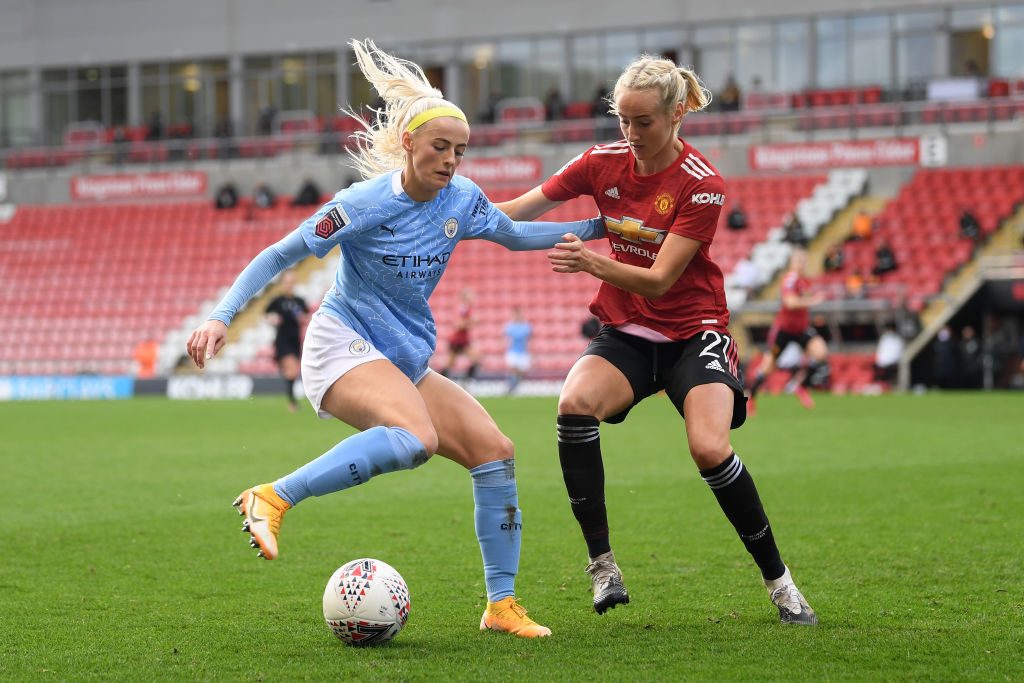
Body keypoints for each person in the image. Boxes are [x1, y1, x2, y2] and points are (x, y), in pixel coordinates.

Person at [185, 38, 607, 639]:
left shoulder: (463, 199)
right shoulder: (361, 204)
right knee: (415, 439)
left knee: (495, 451)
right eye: (440, 147)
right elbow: (279, 253)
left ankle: (501, 606)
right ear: (407, 143)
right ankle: (273, 496)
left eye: (460, 150)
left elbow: (516, 235)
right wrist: (221, 316)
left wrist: (601, 225)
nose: (451, 160)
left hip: (402, 355)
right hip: (342, 344)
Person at [496, 53, 816, 625]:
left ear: (676, 115)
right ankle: (603, 566)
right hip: (627, 334)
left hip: (696, 333)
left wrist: (591, 264)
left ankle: (780, 582)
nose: (631, 134)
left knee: (709, 448)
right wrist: (446, 215)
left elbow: (661, 279)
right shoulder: (601, 162)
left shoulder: (703, 184)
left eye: (643, 121)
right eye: (623, 120)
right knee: (573, 404)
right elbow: (518, 211)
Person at [749, 247, 828, 414]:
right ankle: (751, 398)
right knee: (767, 367)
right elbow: (790, 303)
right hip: (783, 330)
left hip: (801, 329)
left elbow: (801, 303)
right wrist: (812, 300)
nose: (801, 264)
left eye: (803, 261)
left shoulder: (805, 281)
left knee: (821, 352)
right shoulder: (790, 279)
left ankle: (799, 386)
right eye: (798, 261)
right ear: (792, 263)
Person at [265, 271, 309, 412]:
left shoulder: (299, 301)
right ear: (282, 283)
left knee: (292, 371)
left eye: (292, 282)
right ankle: (292, 403)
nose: (289, 285)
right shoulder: (278, 301)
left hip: (295, 340)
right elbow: (267, 313)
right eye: (287, 282)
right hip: (282, 340)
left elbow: (307, 317)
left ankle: (291, 400)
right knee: (291, 370)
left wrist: (303, 319)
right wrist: (272, 319)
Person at [441, 288, 479, 379]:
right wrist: (471, 322)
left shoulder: (467, 308)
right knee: (450, 364)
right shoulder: (463, 308)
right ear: (465, 297)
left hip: (463, 340)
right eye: (471, 296)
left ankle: (466, 380)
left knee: (475, 359)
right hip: (457, 340)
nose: (473, 298)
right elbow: (458, 324)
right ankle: (465, 380)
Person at [504, 307, 532, 394]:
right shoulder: (510, 326)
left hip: (523, 352)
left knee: (521, 373)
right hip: (513, 352)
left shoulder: (526, 326)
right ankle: (510, 388)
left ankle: (512, 387)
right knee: (514, 370)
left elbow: (529, 340)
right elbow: (506, 340)